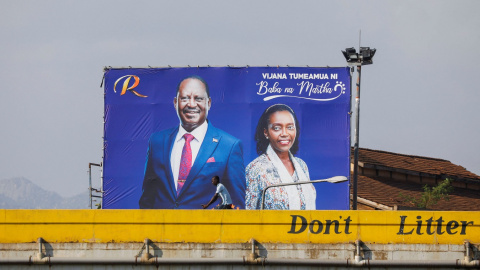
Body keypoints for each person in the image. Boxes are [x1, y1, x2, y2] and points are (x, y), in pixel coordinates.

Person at [139, 75, 245, 209]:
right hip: (162, 228)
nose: (191, 104)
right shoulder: (157, 141)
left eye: (198, 98)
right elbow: (147, 199)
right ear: (175, 102)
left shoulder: (229, 146)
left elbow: (236, 205)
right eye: (185, 98)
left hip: (206, 229)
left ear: (209, 103)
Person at [245, 104, 316, 210]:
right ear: (266, 132)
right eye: (277, 128)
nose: (284, 133)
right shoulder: (255, 169)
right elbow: (247, 215)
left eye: (290, 127)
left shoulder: (302, 165)